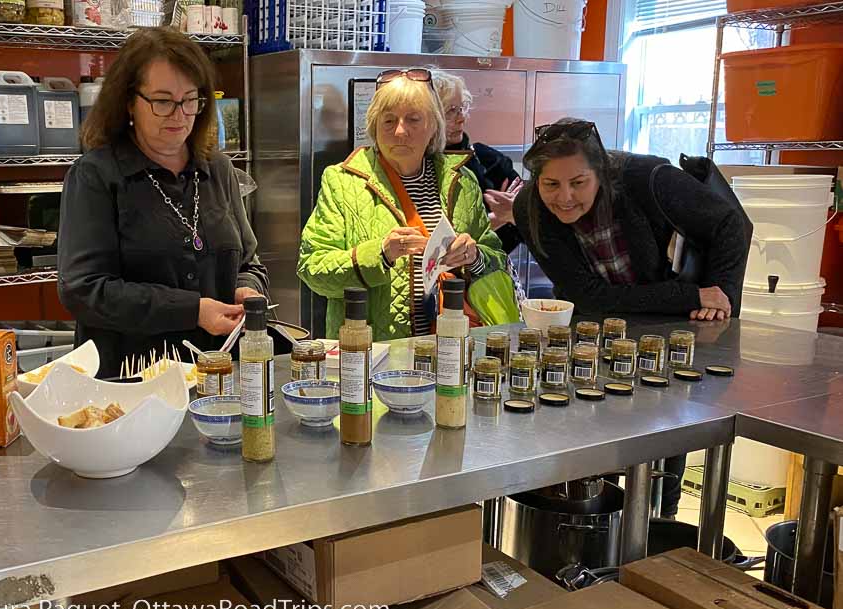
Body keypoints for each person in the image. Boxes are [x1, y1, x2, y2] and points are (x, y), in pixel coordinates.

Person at [513, 118, 749, 517]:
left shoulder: (648, 179)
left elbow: (731, 223)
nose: (565, 197)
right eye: (551, 184)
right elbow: (587, 295)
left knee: (670, 416)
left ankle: (663, 519)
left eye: (579, 182)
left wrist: (719, 293)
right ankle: (602, 518)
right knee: (597, 420)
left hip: (668, 321)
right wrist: (689, 295)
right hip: (600, 323)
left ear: (600, 173)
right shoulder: (530, 209)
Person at [58, 27, 269, 379]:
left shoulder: (217, 170)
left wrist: (246, 289)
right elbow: (83, 290)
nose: (180, 114)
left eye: (190, 99)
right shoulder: (96, 176)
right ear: (129, 101)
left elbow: (249, 261)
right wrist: (192, 310)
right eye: (162, 100)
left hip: (215, 373)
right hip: (129, 380)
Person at [297, 68, 511, 341]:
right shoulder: (343, 182)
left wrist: (475, 256)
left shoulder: (462, 181)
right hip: (374, 354)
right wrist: (381, 254)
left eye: (413, 119)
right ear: (374, 126)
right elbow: (312, 269)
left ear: (433, 126)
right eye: (388, 121)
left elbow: (497, 260)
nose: (400, 131)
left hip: (452, 347)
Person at [431, 70, 524, 255]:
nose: (462, 118)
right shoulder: (415, 166)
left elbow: (521, 224)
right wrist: (498, 218)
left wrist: (514, 215)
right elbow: (440, 243)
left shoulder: (489, 160)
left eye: (462, 108)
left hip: (490, 273)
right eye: (451, 111)